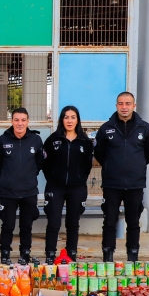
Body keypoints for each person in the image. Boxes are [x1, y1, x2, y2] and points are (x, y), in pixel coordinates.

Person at [94, 92, 149, 262]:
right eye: (121, 103)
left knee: (134, 222)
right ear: (116, 106)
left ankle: (132, 256)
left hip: (135, 184)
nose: (124, 107)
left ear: (134, 106)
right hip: (112, 184)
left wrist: (136, 166)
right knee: (109, 221)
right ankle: (108, 255)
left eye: (128, 103)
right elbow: (100, 153)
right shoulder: (106, 128)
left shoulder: (144, 128)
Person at [41, 106, 93, 264]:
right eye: (66, 117)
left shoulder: (85, 141)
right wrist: (53, 179)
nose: (69, 120)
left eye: (73, 117)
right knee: (54, 222)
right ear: (61, 120)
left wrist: (79, 179)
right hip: (55, 187)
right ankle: (50, 255)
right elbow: (45, 163)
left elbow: (87, 166)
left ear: (77, 120)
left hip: (77, 188)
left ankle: (71, 254)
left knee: (73, 222)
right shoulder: (52, 140)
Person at [0, 108, 44, 265]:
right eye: (16, 120)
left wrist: (28, 177)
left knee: (26, 225)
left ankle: (25, 253)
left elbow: (39, 163)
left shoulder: (36, 140)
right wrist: (9, 179)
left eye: (23, 120)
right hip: (8, 192)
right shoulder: (2, 140)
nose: (20, 123)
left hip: (29, 191)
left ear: (28, 121)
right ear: (12, 121)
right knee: (7, 224)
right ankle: (5, 253)